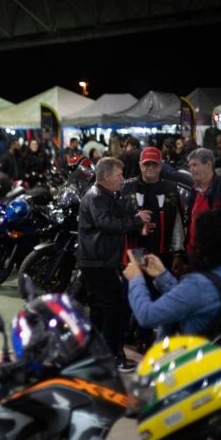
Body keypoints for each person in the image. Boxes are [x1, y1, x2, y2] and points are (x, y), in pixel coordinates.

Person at [124, 208, 221, 440]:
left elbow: (147, 315)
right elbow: (192, 307)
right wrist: (162, 276)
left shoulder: (200, 284)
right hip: (207, 378)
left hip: (177, 383)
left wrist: (136, 280)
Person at [77, 157, 151, 371]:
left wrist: (135, 216)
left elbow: (117, 217)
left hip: (102, 260)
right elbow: (106, 223)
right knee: (116, 308)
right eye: (119, 174)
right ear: (107, 176)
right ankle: (112, 356)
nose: (122, 178)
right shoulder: (96, 196)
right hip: (96, 262)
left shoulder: (107, 195)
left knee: (101, 309)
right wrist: (137, 220)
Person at [121, 146, 185, 267]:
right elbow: (119, 222)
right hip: (136, 251)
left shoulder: (170, 188)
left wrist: (178, 253)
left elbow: (177, 222)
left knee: (160, 283)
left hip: (163, 252)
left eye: (154, 164)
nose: (150, 168)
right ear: (140, 165)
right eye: (147, 164)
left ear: (161, 166)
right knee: (138, 283)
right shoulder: (126, 188)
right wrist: (137, 226)